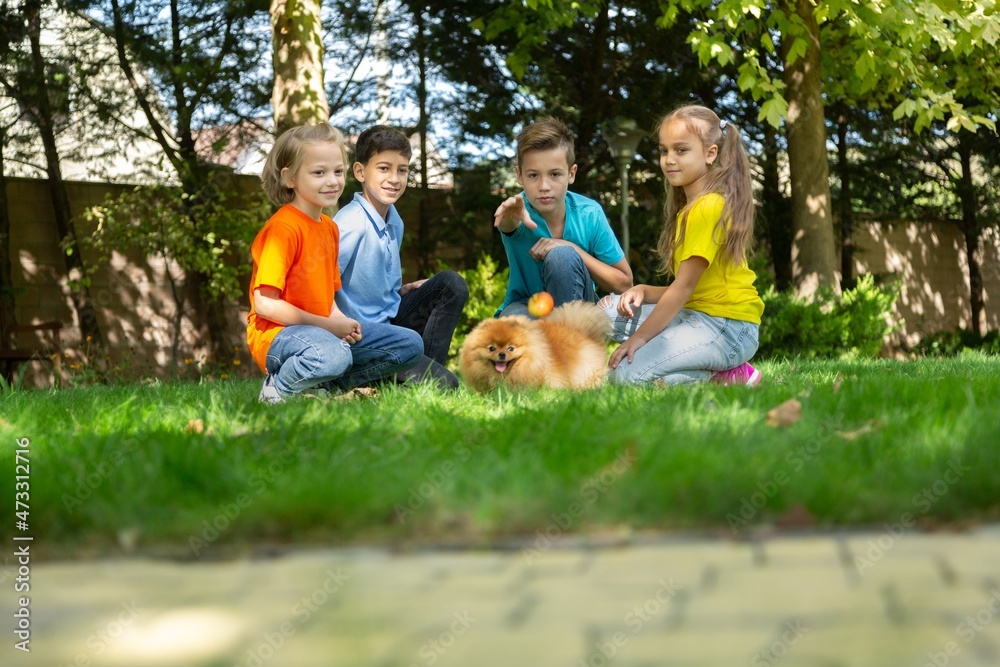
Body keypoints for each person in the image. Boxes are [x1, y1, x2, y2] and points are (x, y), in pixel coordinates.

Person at [247, 123, 423, 404]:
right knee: (334, 353)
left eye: (337, 171)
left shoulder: (329, 228)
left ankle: (324, 387)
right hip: (278, 336)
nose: (332, 181)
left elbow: (328, 298)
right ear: (290, 178)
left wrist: (344, 323)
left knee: (409, 343)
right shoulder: (283, 229)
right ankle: (275, 390)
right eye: (319, 173)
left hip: (321, 334)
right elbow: (265, 305)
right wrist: (329, 326)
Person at [600, 105, 763, 386]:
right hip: (696, 313)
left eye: (681, 150)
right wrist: (643, 290)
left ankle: (726, 376)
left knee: (624, 377)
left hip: (727, 328)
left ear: (710, 153)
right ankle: (712, 373)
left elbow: (683, 288)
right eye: (664, 151)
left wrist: (639, 340)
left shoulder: (708, 207)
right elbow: (695, 289)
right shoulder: (689, 208)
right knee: (604, 315)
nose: (669, 160)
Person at [335, 125, 468, 389]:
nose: (395, 178)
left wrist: (401, 291)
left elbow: (374, 284)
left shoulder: (394, 220)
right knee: (447, 386)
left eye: (402, 170)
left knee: (450, 285)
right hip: (359, 337)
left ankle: (421, 373)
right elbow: (321, 287)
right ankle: (389, 376)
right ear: (360, 171)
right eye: (384, 168)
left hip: (390, 325)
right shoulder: (349, 223)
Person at [493, 117, 633, 317]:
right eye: (533, 175)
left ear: (571, 173)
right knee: (512, 322)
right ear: (519, 175)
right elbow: (508, 225)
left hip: (578, 309)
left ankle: (568, 343)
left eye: (555, 174)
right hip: (527, 305)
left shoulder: (589, 213)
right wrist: (509, 219)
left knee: (562, 256)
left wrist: (571, 248)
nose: (544, 186)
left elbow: (625, 283)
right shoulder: (517, 211)